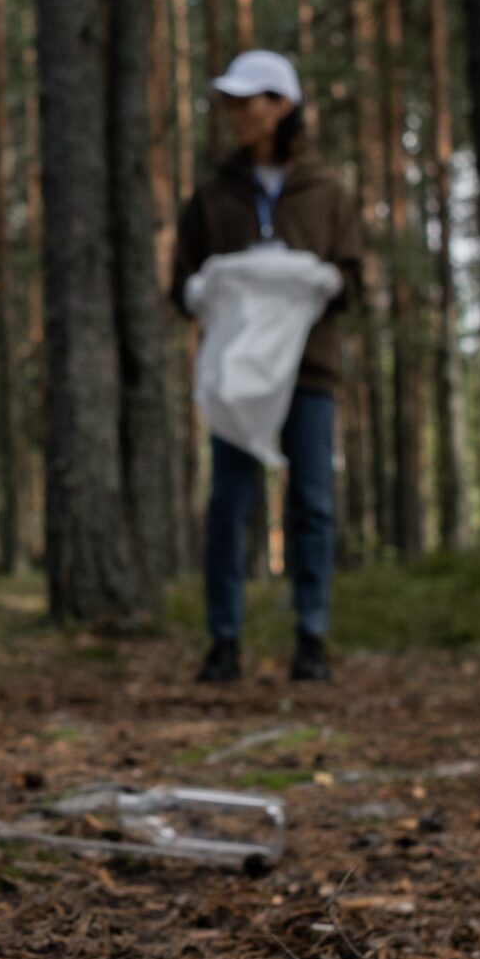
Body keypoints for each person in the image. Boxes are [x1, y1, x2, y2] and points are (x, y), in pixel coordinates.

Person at [170, 50, 366, 685]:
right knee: (229, 502)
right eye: (228, 102)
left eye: (246, 101)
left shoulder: (328, 193)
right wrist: (200, 291)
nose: (234, 114)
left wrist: (321, 281)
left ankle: (311, 637)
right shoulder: (212, 196)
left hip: (308, 374)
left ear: (282, 106)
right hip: (235, 378)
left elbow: (356, 283)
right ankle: (223, 641)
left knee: (310, 502)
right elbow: (181, 283)